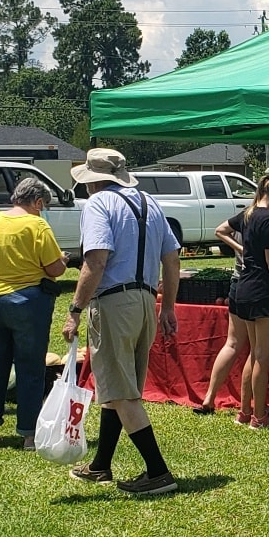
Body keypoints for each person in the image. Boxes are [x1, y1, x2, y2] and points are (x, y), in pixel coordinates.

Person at [61, 148, 182, 496]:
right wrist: (168, 307)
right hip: (146, 300)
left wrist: (74, 309)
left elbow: (96, 261)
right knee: (118, 387)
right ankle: (101, 465)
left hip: (115, 301)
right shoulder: (150, 203)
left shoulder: (99, 205)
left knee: (122, 391)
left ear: (93, 181)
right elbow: (171, 260)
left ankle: (158, 471)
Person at [0, 177, 66, 448]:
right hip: (26, 301)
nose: (42, 209)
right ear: (36, 202)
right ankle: (29, 435)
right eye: (43, 205)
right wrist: (62, 261)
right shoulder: (36, 225)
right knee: (30, 367)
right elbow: (55, 269)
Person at [200, 172, 269, 426]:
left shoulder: (248, 214)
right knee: (263, 358)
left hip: (242, 287)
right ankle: (260, 416)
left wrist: (241, 250)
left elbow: (222, 231)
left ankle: (245, 413)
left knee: (254, 355)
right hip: (263, 291)